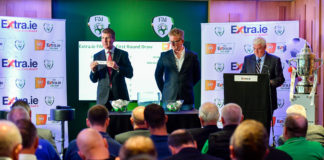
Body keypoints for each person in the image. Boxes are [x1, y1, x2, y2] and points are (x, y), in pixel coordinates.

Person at [155, 28, 200, 110]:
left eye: (175, 41)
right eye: (170, 41)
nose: (172, 44)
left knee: (186, 123)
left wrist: (186, 85)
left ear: (182, 41)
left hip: (187, 99)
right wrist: (165, 90)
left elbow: (197, 76)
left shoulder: (193, 56)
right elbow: (157, 76)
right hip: (168, 99)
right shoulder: (164, 56)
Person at [90, 28, 133, 111]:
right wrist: (93, 70)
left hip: (120, 97)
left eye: (108, 38)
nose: (105, 41)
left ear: (114, 39)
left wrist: (117, 68)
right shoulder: (97, 56)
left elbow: (130, 73)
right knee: (103, 122)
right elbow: (94, 79)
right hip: (103, 97)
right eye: (102, 38)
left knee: (120, 123)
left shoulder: (123, 54)